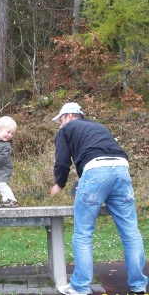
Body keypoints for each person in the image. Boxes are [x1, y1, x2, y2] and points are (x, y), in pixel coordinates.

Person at [50, 102, 147, 295]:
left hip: (95, 171)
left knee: (83, 233)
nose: (60, 124)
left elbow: (62, 162)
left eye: (60, 119)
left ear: (69, 116)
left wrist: (59, 184)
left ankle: (80, 287)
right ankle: (139, 285)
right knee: (130, 232)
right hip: (121, 170)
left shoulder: (67, 129)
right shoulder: (99, 127)